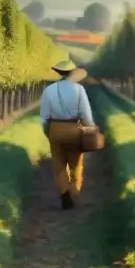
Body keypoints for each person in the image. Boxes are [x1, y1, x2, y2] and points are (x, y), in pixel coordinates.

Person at [39, 59, 95, 210]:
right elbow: (85, 114)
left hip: (55, 129)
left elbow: (44, 117)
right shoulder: (78, 90)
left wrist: (48, 132)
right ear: (72, 72)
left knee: (59, 165)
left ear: (58, 73)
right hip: (73, 129)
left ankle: (63, 193)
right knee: (75, 164)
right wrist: (90, 129)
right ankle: (74, 191)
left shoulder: (49, 91)